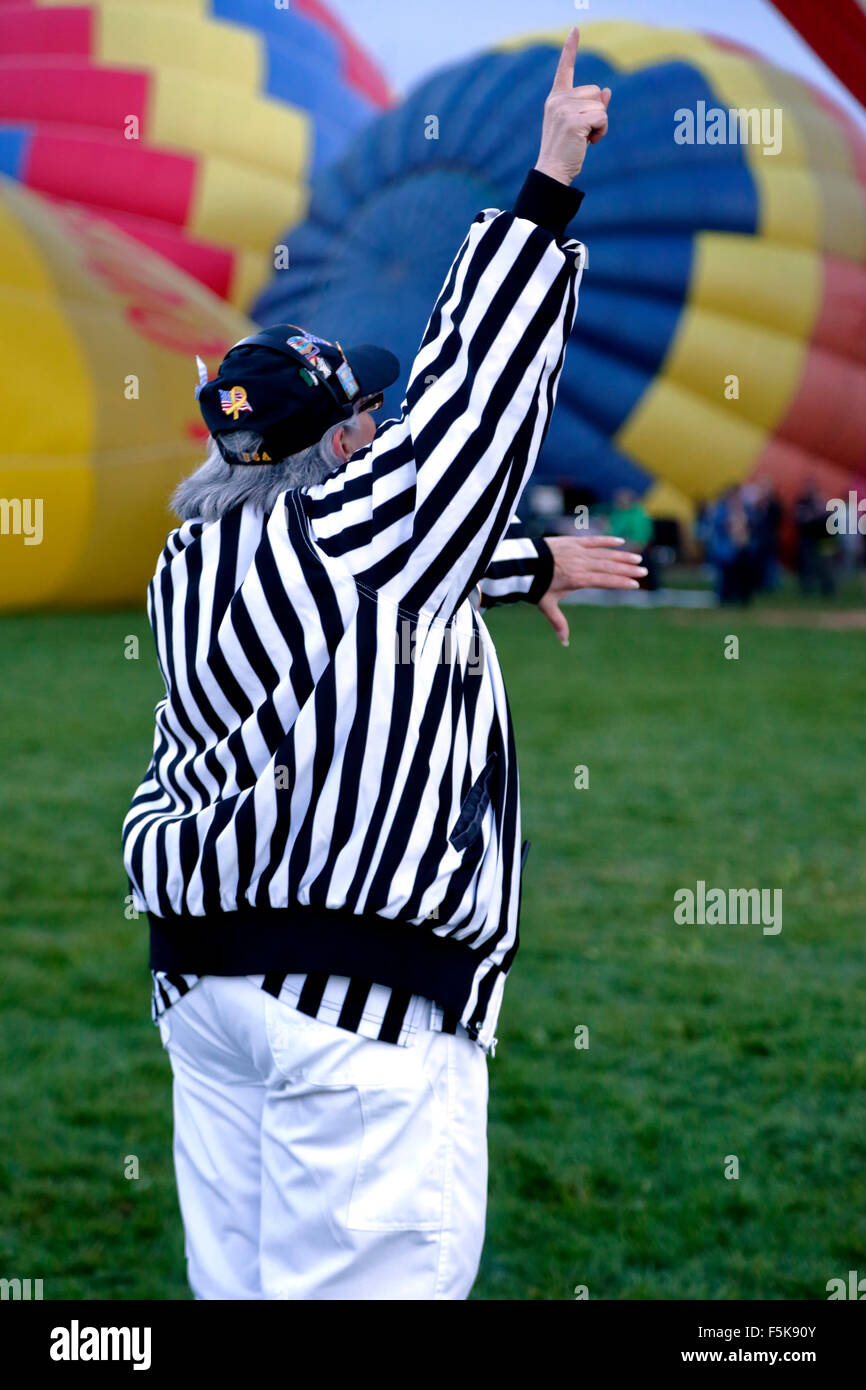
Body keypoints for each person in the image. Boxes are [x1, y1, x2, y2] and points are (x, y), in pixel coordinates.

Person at [122, 28, 643, 1301]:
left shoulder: (187, 565)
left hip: (207, 985)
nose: (379, 429)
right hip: (350, 1008)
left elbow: (368, 595)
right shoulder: (367, 528)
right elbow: (474, 404)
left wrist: (518, 567)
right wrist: (547, 181)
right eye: (362, 418)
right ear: (338, 441)